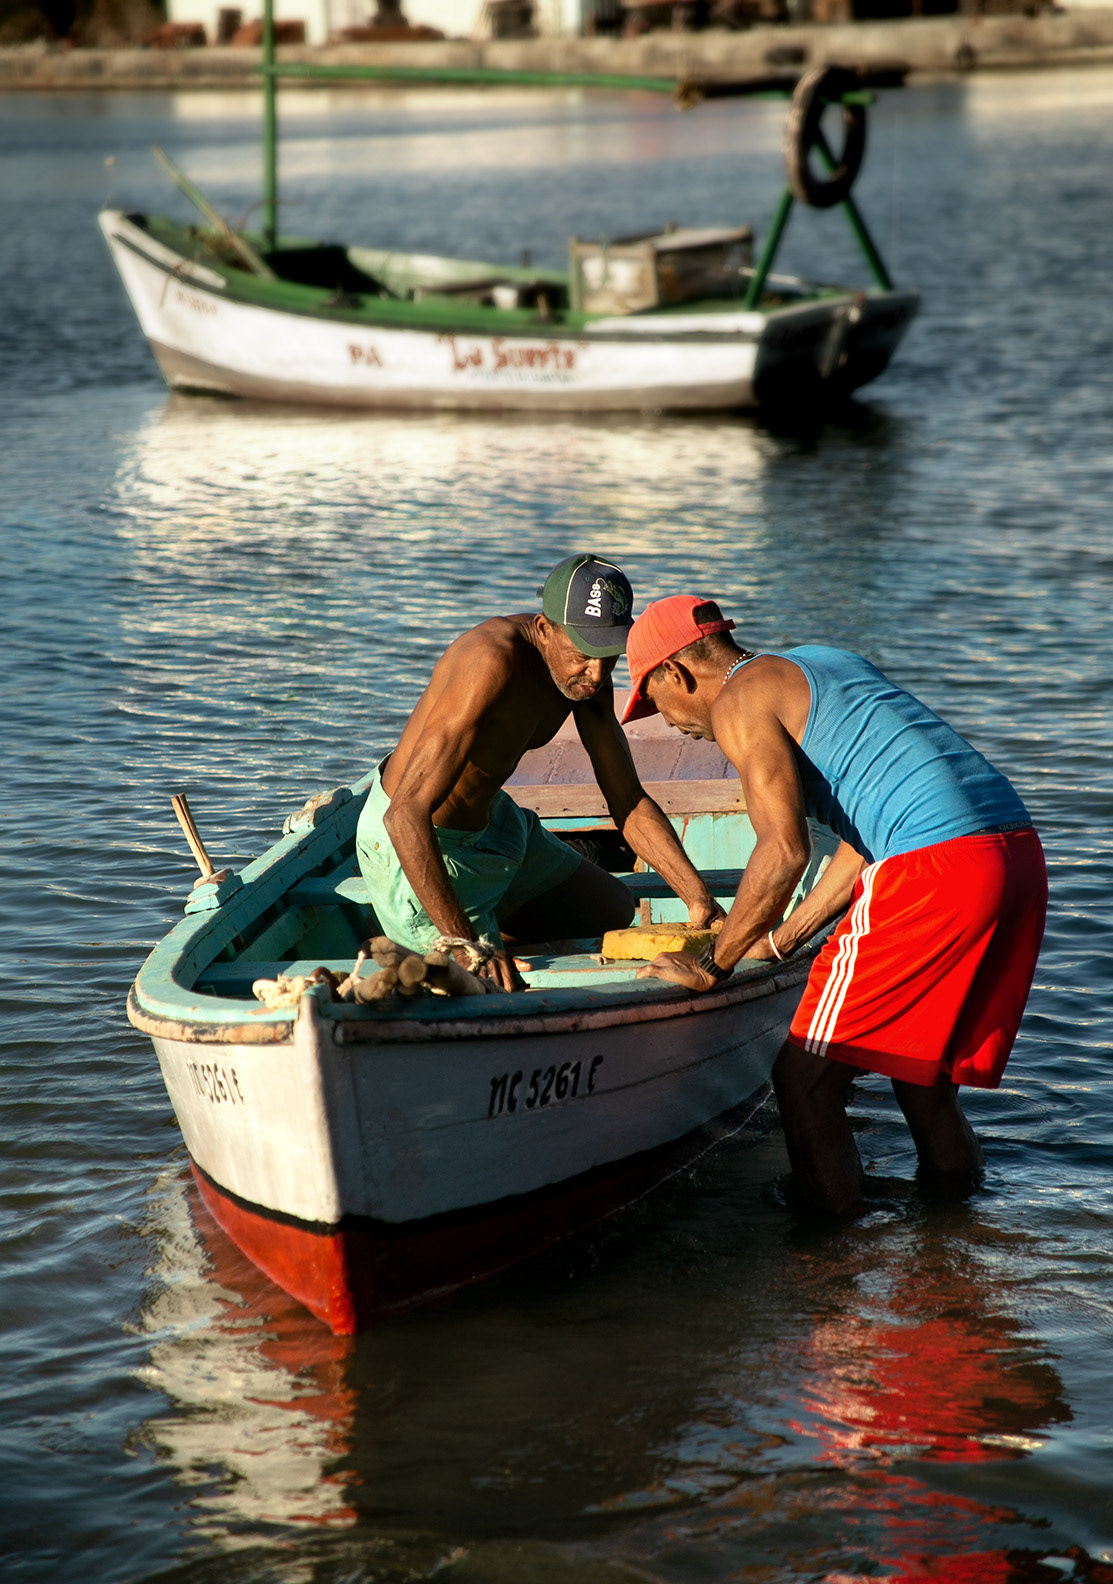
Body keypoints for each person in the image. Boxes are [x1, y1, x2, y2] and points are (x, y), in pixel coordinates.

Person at [622, 594, 1047, 1216]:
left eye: (652, 702)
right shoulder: (823, 661)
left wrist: (713, 965)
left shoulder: (740, 699)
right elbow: (865, 844)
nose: (666, 722)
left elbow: (784, 850)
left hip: (937, 867)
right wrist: (781, 941)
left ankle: (829, 1266)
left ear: (675, 674)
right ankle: (954, 1240)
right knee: (921, 1079)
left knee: (803, 1079)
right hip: (1014, 853)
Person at [356, 557, 724, 992]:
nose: (598, 673)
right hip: (422, 844)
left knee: (612, 907)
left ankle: (491, 924)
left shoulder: (588, 676)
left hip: (496, 823)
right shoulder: (490, 662)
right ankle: (456, 931)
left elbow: (626, 797)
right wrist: (465, 945)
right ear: (545, 629)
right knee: (491, 990)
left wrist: (698, 898)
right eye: (582, 654)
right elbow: (403, 815)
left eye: (609, 654)